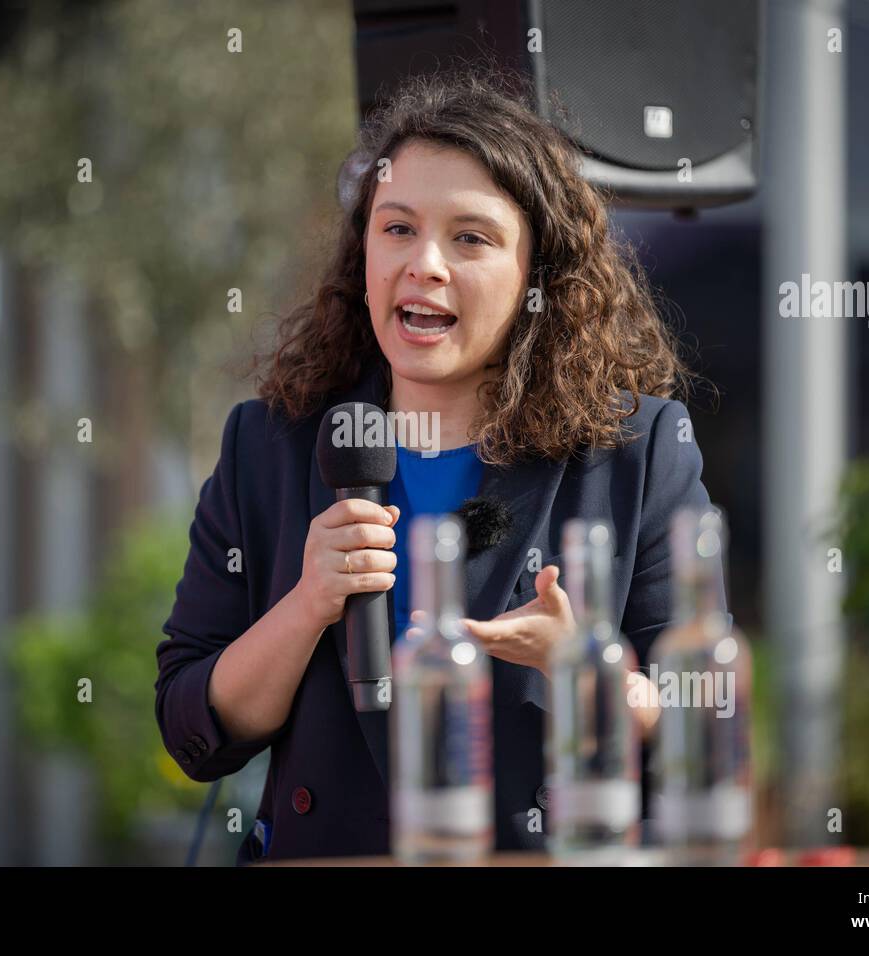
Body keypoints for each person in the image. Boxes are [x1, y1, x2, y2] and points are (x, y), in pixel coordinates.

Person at [154, 69, 723, 864]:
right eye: (396, 229)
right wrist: (307, 604)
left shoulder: (636, 454)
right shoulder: (269, 446)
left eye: (471, 237)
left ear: (540, 275)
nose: (425, 263)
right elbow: (192, 730)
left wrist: (589, 674)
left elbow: (708, 722)